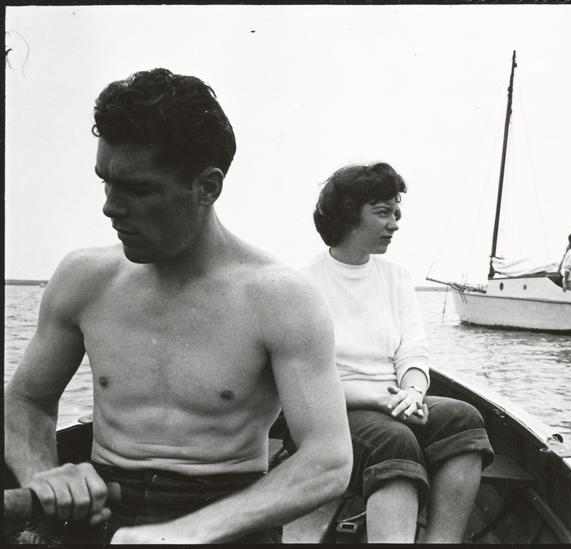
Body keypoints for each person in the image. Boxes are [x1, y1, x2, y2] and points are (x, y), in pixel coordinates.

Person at [3, 68, 352, 544]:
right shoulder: (83, 278)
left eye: (138, 189)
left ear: (207, 187)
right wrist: (44, 475)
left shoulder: (280, 297)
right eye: (106, 182)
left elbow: (328, 460)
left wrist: (185, 534)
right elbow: (27, 400)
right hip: (101, 507)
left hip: (227, 519)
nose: (110, 207)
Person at [305, 162, 495, 543]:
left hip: (392, 402)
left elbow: (413, 353)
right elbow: (307, 382)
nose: (394, 224)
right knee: (395, 440)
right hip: (333, 411)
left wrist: (412, 393)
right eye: (383, 213)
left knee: (464, 419)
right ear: (348, 214)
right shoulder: (304, 285)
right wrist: (381, 399)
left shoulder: (396, 277)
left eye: (396, 214)